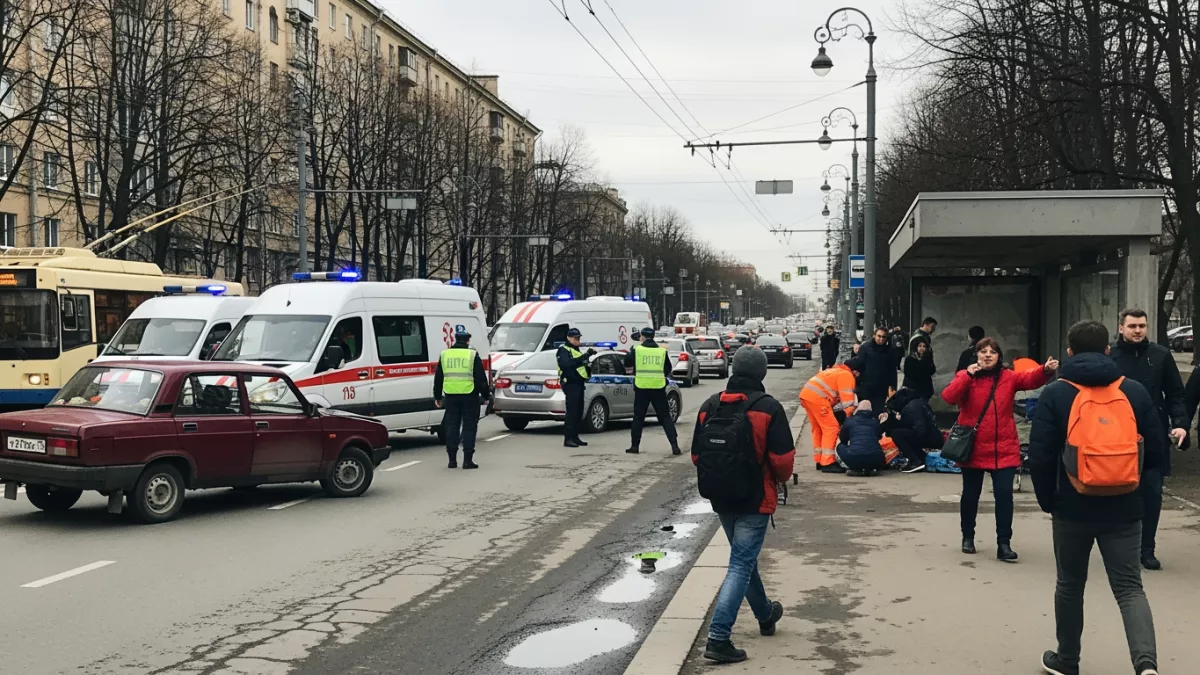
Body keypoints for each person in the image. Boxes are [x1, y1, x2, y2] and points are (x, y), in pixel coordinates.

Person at [1029, 319, 1163, 675]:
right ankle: (1146, 665)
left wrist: (1050, 501)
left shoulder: (1056, 393)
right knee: (1130, 588)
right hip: (1126, 507)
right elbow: (1158, 454)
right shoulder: (1133, 391)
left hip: (1071, 507)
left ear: (1069, 352)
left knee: (1070, 585)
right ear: (1108, 349)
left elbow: (1040, 456)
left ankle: (1067, 661)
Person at [692, 346, 795, 663]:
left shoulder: (710, 405)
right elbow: (783, 463)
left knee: (742, 560)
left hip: (721, 497)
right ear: (761, 373)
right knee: (740, 564)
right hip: (755, 498)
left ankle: (766, 614)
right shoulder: (768, 408)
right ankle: (719, 638)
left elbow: (697, 455)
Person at [941, 337, 1057, 562]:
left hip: (1003, 448)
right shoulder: (966, 377)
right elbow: (949, 396)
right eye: (982, 352)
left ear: (998, 356)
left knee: (1005, 497)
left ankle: (1004, 543)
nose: (987, 355)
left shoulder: (1008, 377)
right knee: (971, 495)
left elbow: (1029, 379)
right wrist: (967, 376)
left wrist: (1045, 370)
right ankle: (968, 537)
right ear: (976, 356)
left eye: (991, 352)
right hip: (972, 448)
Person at [1109, 308, 1186, 571]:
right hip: (1116, 435)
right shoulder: (1110, 356)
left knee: (1152, 493)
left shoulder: (1161, 355)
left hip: (1153, 435)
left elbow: (1176, 394)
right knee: (1120, 494)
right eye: (1132, 326)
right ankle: (1121, 549)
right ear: (1121, 328)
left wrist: (1181, 424)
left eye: (1142, 326)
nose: (1138, 330)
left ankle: (1147, 549)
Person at [433, 330, 490, 470]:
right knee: (469, 427)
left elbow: (438, 377)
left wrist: (437, 396)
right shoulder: (471, 354)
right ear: (467, 341)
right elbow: (480, 378)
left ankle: (452, 460)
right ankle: (467, 460)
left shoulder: (445, 354)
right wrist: (487, 396)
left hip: (451, 395)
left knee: (452, 427)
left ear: (455, 339)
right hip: (469, 395)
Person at [624, 326, 681, 455]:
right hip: (658, 388)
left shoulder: (637, 349)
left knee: (638, 417)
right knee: (665, 417)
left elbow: (627, 362)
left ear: (642, 337)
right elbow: (668, 368)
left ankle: (634, 446)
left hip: (642, 387)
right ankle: (675, 446)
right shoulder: (661, 351)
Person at [800, 358, 861, 471]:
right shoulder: (847, 375)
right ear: (855, 371)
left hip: (807, 396)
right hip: (819, 400)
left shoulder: (835, 371)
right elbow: (847, 402)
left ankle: (820, 459)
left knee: (818, 429)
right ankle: (828, 462)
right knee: (831, 428)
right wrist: (849, 417)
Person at [882, 386, 944, 473]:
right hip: (932, 435)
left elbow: (919, 428)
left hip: (929, 437)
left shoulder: (910, 407)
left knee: (897, 434)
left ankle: (915, 461)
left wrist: (894, 424)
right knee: (900, 433)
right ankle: (920, 458)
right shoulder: (916, 403)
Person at [557, 328, 596, 448]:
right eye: (576, 338)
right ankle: (568, 439)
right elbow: (567, 365)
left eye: (579, 338)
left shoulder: (576, 350)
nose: (578, 340)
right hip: (570, 383)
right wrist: (584, 357)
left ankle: (575, 437)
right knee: (572, 412)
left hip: (579, 383)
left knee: (578, 411)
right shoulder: (563, 350)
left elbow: (581, 366)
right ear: (569, 338)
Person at [834, 400, 896, 475]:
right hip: (875, 459)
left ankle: (852, 466)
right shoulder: (875, 422)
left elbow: (843, 439)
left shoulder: (849, 421)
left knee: (840, 446)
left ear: (857, 409)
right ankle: (870, 467)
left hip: (853, 458)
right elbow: (879, 437)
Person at [856, 327, 897, 413]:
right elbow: (858, 366)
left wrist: (893, 387)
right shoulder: (865, 348)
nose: (881, 339)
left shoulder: (890, 351)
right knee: (865, 413)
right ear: (874, 336)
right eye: (879, 336)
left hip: (882, 389)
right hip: (866, 388)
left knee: (879, 412)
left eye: (883, 337)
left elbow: (892, 370)